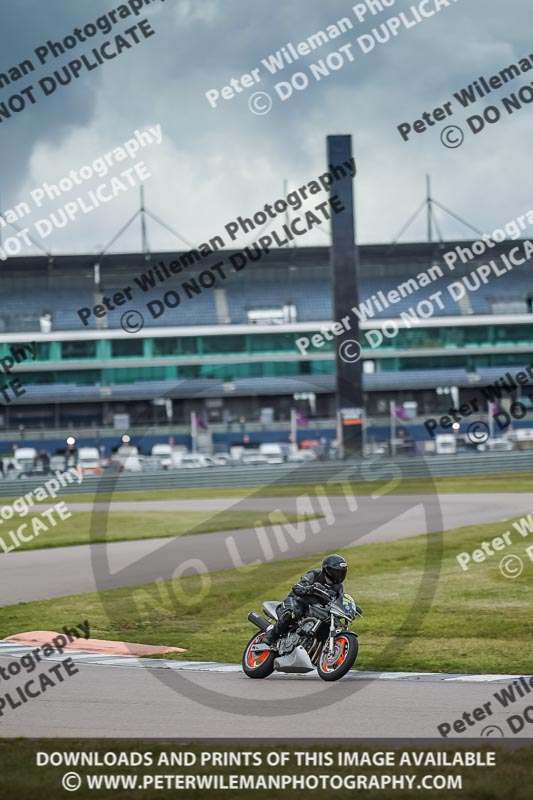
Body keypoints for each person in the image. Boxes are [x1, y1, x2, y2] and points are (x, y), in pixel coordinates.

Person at [264, 554, 348, 647]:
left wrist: (351, 607)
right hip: (297, 601)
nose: (339, 575)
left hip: (315, 608)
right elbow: (297, 588)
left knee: (329, 621)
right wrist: (310, 589)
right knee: (293, 612)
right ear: (327, 570)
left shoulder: (339, 587)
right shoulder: (315, 574)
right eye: (336, 572)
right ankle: (270, 637)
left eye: (341, 572)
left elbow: (341, 600)